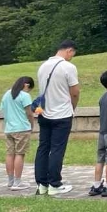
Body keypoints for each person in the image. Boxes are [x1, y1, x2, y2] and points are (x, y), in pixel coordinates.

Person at [34, 39, 80, 196]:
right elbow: (74, 92)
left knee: (43, 148)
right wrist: (72, 107)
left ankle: (42, 184)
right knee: (57, 149)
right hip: (62, 114)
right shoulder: (68, 67)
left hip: (44, 112)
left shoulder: (42, 66)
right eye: (72, 54)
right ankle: (55, 183)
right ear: (69, 51)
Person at [0, 76, 34, 191]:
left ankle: (10, 181)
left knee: (10, 154)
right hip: (22, 128)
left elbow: (3, 110)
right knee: (20, 154)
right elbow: (29, 113)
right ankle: (18, 182)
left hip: (9, 129)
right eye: (29, 88)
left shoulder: (7, 94)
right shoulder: (25, 96)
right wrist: (31, 125)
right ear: (26, 85)